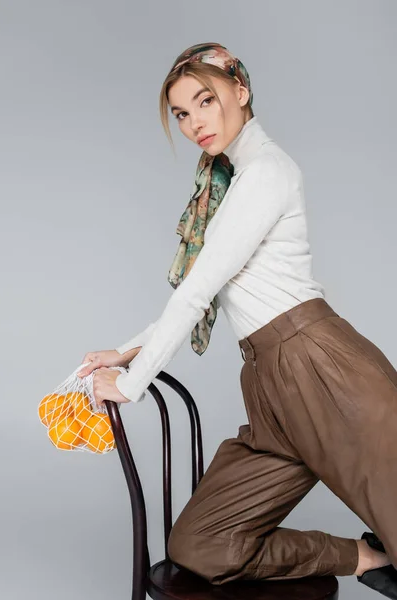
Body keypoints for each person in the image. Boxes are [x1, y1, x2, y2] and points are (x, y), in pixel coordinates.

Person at [77, 43, 397, 597]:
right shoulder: (235, 183)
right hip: (272, 383)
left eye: (205, 100)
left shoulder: (267, 172)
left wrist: (133, 383)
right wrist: (128, 351)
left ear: (240, 93)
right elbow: (215, 290)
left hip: (325, 371)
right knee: (200, 545)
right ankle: (367, 559)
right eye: (181, 113)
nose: (194, 121)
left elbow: (198, 290)